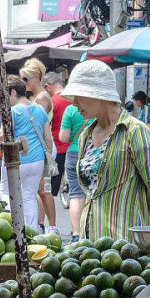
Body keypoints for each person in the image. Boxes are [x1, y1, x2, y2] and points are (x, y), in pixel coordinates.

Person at [61, 59, 150, 239]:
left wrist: (138, 219)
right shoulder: (86, 136)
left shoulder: (135, 132)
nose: (74, 103)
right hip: (89, 246)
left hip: (124, 248)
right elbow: (91, 191)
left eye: (79, 96)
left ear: (98, 95)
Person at [0, 75, 49, 229]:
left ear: (12, 92)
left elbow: (2, 134)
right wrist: (47, 158)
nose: (2, 101)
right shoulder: (39, 109)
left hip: (16, 159)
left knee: (6, 192)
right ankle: (33, 231)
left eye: (3, 96)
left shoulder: (11, 112)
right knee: (29, 195)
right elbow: (48, 138)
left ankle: (14, 229)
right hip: (37, 160)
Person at [20, 58, 58, 235]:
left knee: (43, 190)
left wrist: (47, 155)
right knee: (37, 190)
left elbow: (40, 128)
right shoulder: (35, 98)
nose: (23, 83)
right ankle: (40, 225)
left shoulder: (42, 98)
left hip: (44, 146)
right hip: (40, 145)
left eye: (25, 79)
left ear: (36, 78)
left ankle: (52, 227)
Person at [59, 102, 86, 241]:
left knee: (76, 194)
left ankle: (76, 234)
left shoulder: (70, 110)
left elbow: (63, 137)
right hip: (96, 151)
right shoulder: (100, 109)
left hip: (74, 153)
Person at [44, 72, 70, 208]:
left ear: (48, 86)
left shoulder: (52, 101)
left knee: (53, 182)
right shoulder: (73, 98)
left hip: (58, 146)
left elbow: (46, 124)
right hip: (75, 146)